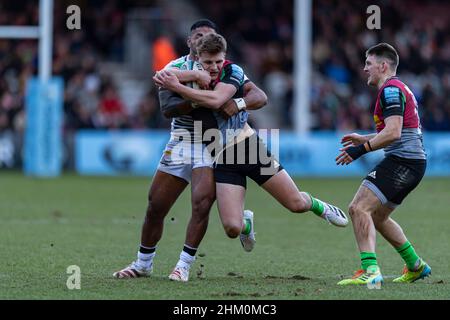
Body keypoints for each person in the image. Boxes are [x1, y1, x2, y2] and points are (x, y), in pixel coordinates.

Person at [154, 33, 349, 256]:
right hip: (221, 155)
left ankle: (318, 206)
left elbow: (221, 100)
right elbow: (162, 75)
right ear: (198, 60)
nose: (215, 67)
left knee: (295, 204)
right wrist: (186, 77)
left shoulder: (232, 71)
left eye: (218, 61)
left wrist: (179, 88)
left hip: (248, 147)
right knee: (232, 228)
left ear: (224, 57)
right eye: (208, 63)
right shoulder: (188, 73)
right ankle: (247, 222)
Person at [113, 19, 268, 282]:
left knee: (202, 203)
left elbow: (259, 96)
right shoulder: (175, 68)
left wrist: (237, 103)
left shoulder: (228, 70)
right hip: (182, 140)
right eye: (198, 35)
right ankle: (143, 264)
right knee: (156, 205)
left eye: (209, 36)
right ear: (189, 41)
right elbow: (167, 108)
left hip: (212, 142)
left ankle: (183, 265)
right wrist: (196, 96)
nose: (203, 40)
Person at [335, 43, 431, 287]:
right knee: (377, 216)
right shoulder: (397, 88)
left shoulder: (389, 90)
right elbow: (398, 130)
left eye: (368, 63)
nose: (364, 68)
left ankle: (371, 271)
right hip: (412, 162)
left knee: (358, 208)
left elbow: (394, 133)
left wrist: (360, 150)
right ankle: (416, 266)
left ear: (383, 65)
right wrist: (366, 137)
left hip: (403, 161)